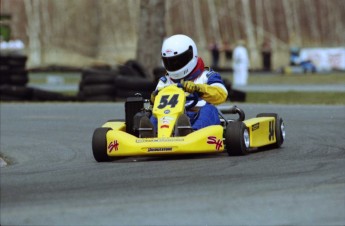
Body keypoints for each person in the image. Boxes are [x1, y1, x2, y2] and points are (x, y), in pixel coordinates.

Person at [139, 34, 228, 137]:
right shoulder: (165, 80)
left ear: (191, 55)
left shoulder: (206, 75)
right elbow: (155, 102)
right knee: (155, 114)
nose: (174, 64)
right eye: (170, 61)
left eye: (178, 60)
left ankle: (191, 134)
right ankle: (151, 134)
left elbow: (222, 94)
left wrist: (199, 89)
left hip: (197, 116)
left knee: (209, 110)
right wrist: (154, 97)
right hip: (169, 119)